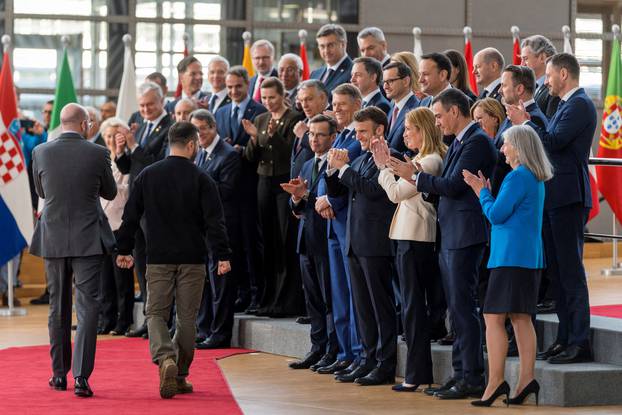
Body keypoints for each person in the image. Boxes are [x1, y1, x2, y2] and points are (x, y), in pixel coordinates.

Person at [394, 89, 496, 399]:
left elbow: (452, 186)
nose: (437, 122)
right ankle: (459, 373)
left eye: (439, 115)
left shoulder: (477, 141)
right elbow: (447, 186)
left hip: (466, 234)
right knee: (457, 308)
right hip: (452, 232)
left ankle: (472, 377)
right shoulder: (462, 141)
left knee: (464, 308)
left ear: (454, 111)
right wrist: (421, 180)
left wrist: (416, 177)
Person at [116, 121, 230, 399]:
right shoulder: (203, 178)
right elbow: (216, 223)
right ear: (192, 145)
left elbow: (130, 216)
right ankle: (179, 373)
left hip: (157, 258)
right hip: (193, 258)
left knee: (155, 313)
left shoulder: (147, 175)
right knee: (187, 318)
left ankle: (165, 358)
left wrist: (124, 249)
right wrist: (223, 255)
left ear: (169, 142)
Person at [506, 53, 597, 365]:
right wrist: (532, 121)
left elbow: (554, 142)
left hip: (569, 196)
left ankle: (579, 341)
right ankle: (564, 337)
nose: (545, 80)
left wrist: (528, 122)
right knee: (557, 273)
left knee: (571, 272)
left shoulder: (580, 104)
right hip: (555, 195)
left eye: (548, 74)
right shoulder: (562, 105)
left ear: (563, 73)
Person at [31, 103, 117, 398]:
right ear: (85, 124)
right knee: (88, 305)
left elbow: (41, 191)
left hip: (52, 237)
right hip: (88, 238)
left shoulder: (40, 151)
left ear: (61, 123)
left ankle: (58, 375)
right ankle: (81, 377)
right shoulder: (98, 152)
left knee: (58, 306)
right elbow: (110, 192)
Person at [463, 125, 552, 407]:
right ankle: (526, 381)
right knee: (520, 318)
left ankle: (495, 382)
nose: (502, 150)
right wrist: (489, 195)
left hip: (511, 257)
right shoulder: (532, 177)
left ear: (519, 147)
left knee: (493, 318)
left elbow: (497, 215)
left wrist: (481, 193)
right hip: (526, 257)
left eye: (506, 145)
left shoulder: (517, 177)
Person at [373, 107, 446, 392]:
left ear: (424, 130)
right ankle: (419, 372)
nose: (404, 134)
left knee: (415, 308)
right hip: (409, 238)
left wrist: (382, 167)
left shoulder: (429, 161)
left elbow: (395, 194)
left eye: (409, 129)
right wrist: (389, 166)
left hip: (417, 239)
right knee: (411, 307)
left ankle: (416, 374)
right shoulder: (418, 159)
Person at [326, 106, 397, 386]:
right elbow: (340, 192)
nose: (358, 137)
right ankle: (366, 359)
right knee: (363, 308)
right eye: (356, 132)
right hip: (356, 241)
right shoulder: (361, 159)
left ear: (380, 130)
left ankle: (385, 363)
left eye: (363, 131)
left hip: (376, 243)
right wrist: (333, 170)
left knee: (381, 307)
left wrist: (343, 168)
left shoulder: (389, 158)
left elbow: (372, 190)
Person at [242, 77, 305, 317]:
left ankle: (285, 301)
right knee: (267, 241)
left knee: (283, 240)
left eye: (273, 97)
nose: (268, 102)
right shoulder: (260, 119)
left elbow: (290, 153)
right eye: (265, 98)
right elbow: (250, 157)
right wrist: (254, 138)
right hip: (263, 182)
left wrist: (272, 136)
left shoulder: (293, 118)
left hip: (283, 183)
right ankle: (267, 299)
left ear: (282, 96)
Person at [116, 81, 174, 339]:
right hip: (136, 201)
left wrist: (135, 146)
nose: (145, 109)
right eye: (141, 105)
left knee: (157, 264)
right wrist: (121, 151)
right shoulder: (136, 121)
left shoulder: (170, 126)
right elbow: (130, 167)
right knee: (141, 263)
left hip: (158, 203)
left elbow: (158, 164)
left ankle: (162, 320)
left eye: (150, 104)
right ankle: (149, 320)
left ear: (162, 101)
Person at [282, 114, 338, 370]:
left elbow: (328, 198)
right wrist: (295, 199)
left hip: (328, 240)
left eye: (320, 135)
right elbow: (299, 204)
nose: (314, 139)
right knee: (313, 299)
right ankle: (317, 348)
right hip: (306, 239)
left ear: (332, 137)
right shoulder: (306, 164)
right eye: (311, 134)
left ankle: (334, 350)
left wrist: (306, 194)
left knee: (329, 299)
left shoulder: (335, 164)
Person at [215, 66, 267, 314]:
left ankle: (257, 294)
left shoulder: (259, 110)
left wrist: (241, 148)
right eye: (230, 86)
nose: (234, 91)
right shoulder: (222, 111)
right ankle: (240, 292)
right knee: (233, 242)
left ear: (247, 84)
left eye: (238, 86)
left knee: (251, 242)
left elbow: (262, 146)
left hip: (250, 183)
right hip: (228, 188)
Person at [190, 109, 242, 349]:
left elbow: (228, 191)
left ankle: (220, 333)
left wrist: (199, 189)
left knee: (221, 283)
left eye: (201, 129)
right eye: (195, 130)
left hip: (223, 228)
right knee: (205, 281)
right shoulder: (200, 154)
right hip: (202, 228)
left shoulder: (228, 155)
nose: (198, 134)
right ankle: (203, 328)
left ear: (213, 127)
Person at [97, 117, 134, 336]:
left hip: (121, 224)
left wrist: (114, 187)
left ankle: (124, 320)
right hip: (102, 224)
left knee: (122, 279)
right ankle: (106, 319)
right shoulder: (100, 159)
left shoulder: (125, 160)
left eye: (115, 135)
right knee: (105, 279)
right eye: (108, 136)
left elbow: (126, 191)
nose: (112, 140)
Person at [495, 64, 548, 195]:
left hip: (513, 195)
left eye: (504, 85)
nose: (500, 90)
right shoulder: (511, 114)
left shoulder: (533, 119)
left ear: (519, 89)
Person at [291, 80, 328, 180]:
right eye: (301, 101)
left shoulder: (332, 121)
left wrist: (304, 136)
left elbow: (327, 151)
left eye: (309, 99)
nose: (304, 105)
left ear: (322, 97)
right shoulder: (303, 122)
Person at [383, 61, 420, 152]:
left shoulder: (416, 109)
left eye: (390, 81)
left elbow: (415, 149)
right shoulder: (392, 108)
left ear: (405, 81)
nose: (385, 86)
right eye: (384, 82)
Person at [521, 35, 560, 118]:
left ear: (542, 57)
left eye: (526, 59)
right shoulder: (532, 87)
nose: (522, 64)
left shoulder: (555, 88)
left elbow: (549, 126)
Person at [311, 24, 354, 95]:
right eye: (322, 46)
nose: (326, 51)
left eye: (330, 45)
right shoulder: (315, 74)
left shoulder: (354, 73)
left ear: (343, 44)